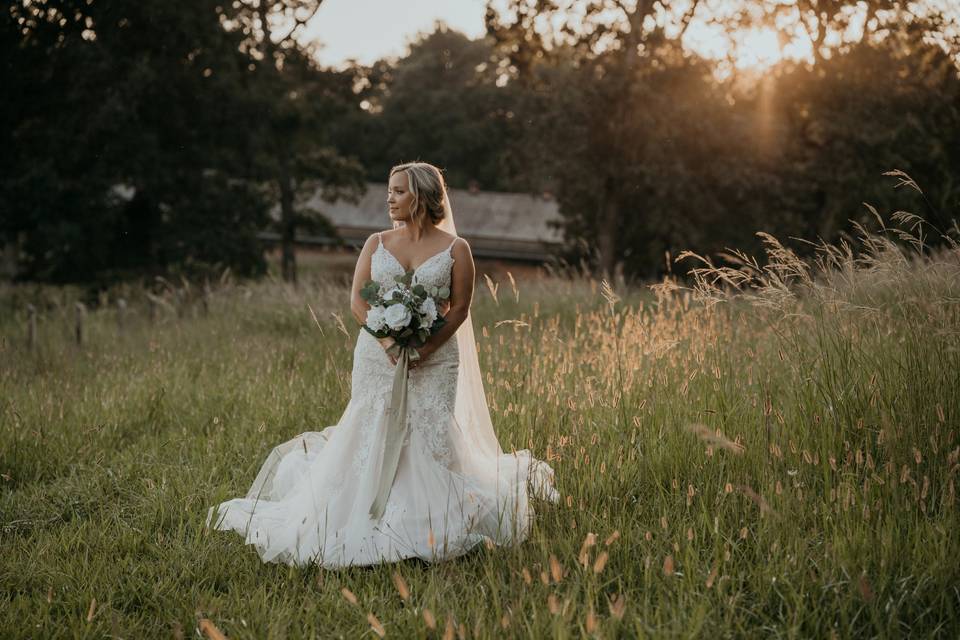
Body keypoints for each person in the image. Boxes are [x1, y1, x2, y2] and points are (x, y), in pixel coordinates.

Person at [206, 161, 558, 568]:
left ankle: (432, 517)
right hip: (377, 353)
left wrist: (424, 350)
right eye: (390, 191)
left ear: (422, 196)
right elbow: (358, 301)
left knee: (427, 428)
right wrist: (390, 340)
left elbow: (460, 309)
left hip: (436, 356)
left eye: (398, 191)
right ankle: (364, 510)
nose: (389, 198)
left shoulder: (456, 249)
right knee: (372, 422)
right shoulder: (376, 243)